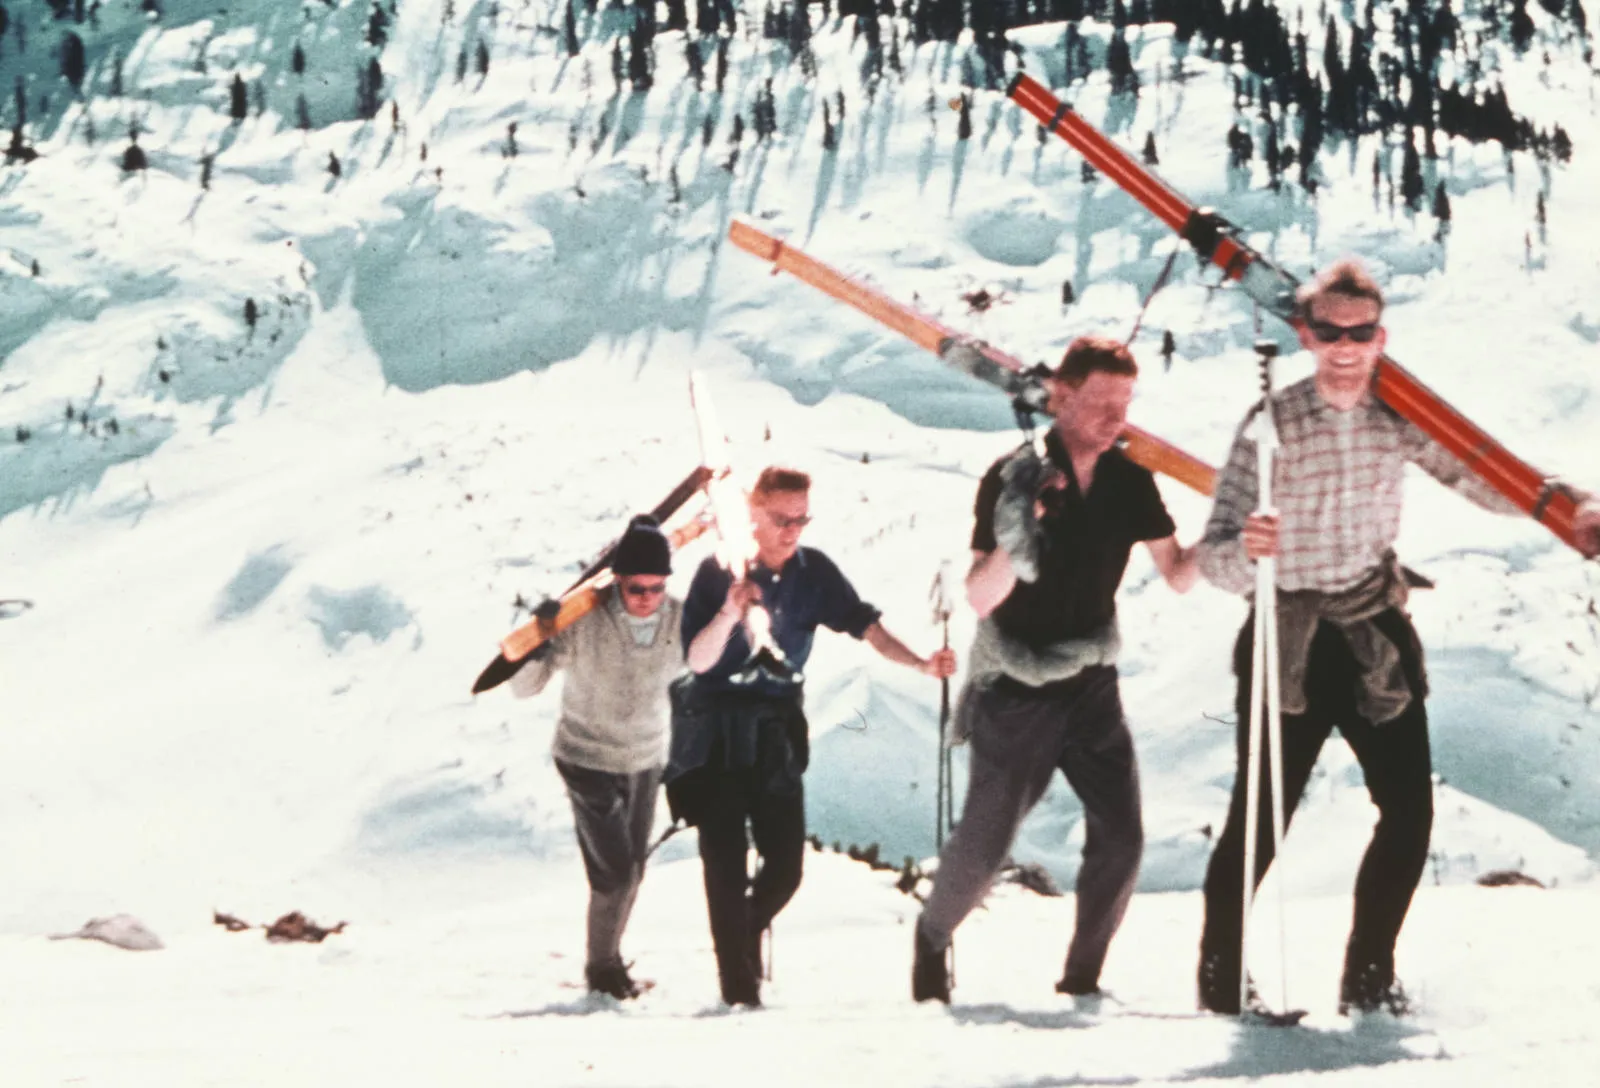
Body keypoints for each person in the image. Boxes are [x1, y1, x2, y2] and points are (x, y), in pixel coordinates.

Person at [1193, 258, 1600, 1016]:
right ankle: (1220, 983)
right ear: (1306, 337)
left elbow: (1483, 478)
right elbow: (1210, 554)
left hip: (1373, 629)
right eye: (1329, 330)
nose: (1345, 345)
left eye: (1360, 331)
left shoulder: (1397, 417)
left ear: (1381, 338)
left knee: (1408, 812)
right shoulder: (1270, 425)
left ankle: (1369, 978)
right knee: (1261, 820)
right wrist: (1244, 551)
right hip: (1287, 637)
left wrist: (1569, 505)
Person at [912, 335, 1199, 1005]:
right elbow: (981, 596)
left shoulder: (1130, 481)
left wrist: (1236, 534)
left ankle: (1083, 981)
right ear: (1061, 398)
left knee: (1122, 837)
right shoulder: (1013, 476)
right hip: (1015, 688)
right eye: (1103, 403)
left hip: (1091, 684)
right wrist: (1024, 533)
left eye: (1126, 403)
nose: (1117, 419)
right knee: (984, 849)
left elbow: (1179, 574)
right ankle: (930, 938)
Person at [667, 466, 958, 1008]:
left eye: (802, 518)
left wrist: (920, 663)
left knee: (784, 866)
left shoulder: (814, 571)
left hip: (776, 724)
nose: (793, 530)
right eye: (782, 518)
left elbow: (866, 626)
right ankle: (738, 989)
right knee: (724, 857)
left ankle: (743, 932)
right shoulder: (716, 574)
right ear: (754, 513)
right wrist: (732, 610)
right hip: (715, 726)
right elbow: (697, 661)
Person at [511, 514, 685, 1000]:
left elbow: (711, 658)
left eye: (655, 587)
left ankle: (610, 963)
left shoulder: (679, 618)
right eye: (636, 588)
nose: (646, 598)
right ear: (618, 583)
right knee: (615, 871)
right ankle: (601, 972)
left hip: (645, 759)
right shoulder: (583, 620)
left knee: (633, 869)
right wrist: (539, 640)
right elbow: (524, 689)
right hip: (586, 756)